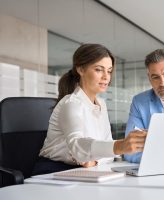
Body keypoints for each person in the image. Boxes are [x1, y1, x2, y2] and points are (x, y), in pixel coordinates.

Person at [33, 44, 146, 175]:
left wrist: (95, 160)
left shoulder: (101, 104)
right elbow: (78, 146)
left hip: (86, 170)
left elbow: (109, 155)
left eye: (109, 71)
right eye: (99, 69)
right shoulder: (71, 103)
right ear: (81, 69)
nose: (106, 77)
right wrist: (119, 146)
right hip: (52, 171)